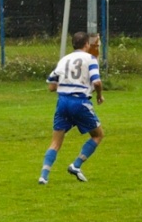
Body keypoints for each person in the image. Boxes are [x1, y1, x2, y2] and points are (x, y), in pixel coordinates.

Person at [38, 31, 104, 185]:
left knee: (55, 142)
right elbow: (97, 82)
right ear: (87, 44)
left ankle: (43, 176)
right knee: (98, 135)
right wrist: (99, 96)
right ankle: (76, 165)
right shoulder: (90, 59)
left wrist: (66, 84)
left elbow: (51, 86)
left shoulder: (64, 59)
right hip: (79, 102)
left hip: (62, 102)